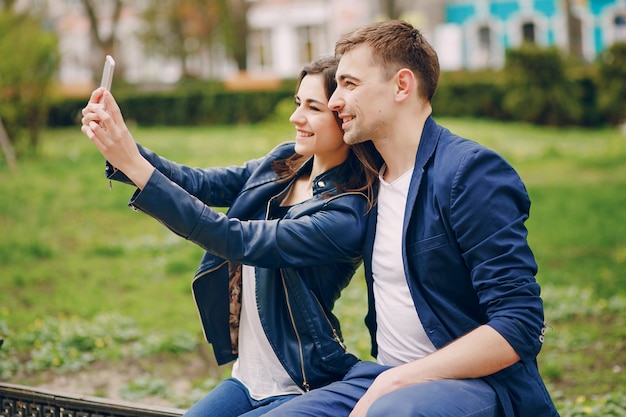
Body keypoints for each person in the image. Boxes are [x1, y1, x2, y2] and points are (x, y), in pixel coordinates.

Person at [255, 20, 560, 417]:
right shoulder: (368, 180)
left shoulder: (469, 173)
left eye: (349, 84)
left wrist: (399, 379)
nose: (333, 102)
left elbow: (519, 323)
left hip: (474, 388)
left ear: (401, 86)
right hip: (381, 376)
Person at [80, 55, 380, 417]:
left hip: (302, 384)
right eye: (298, 102)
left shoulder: (344, 214)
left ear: (343, 118)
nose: (296, 117)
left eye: (313, 108)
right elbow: (201, 184)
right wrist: (123, 144)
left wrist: (133, 162)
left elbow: (235, 239)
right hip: (247, 380)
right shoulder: (286, 160)